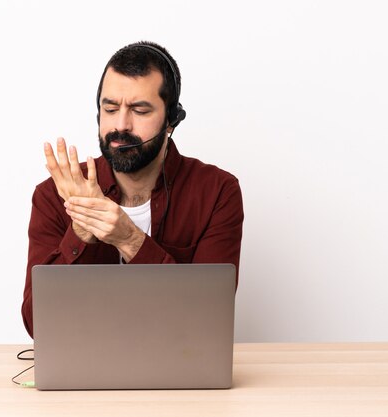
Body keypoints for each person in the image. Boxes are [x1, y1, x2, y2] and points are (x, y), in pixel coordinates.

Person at [21, 41, 243, 338]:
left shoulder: (217, 192)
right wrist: (81, 233)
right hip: (85, 369)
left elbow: (208, 319)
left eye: (139, 110)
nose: (121, 125)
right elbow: (38, 326)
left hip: (181, 365)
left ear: (171, 121)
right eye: (110, 108)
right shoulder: (53, 195)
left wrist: (130, 239)